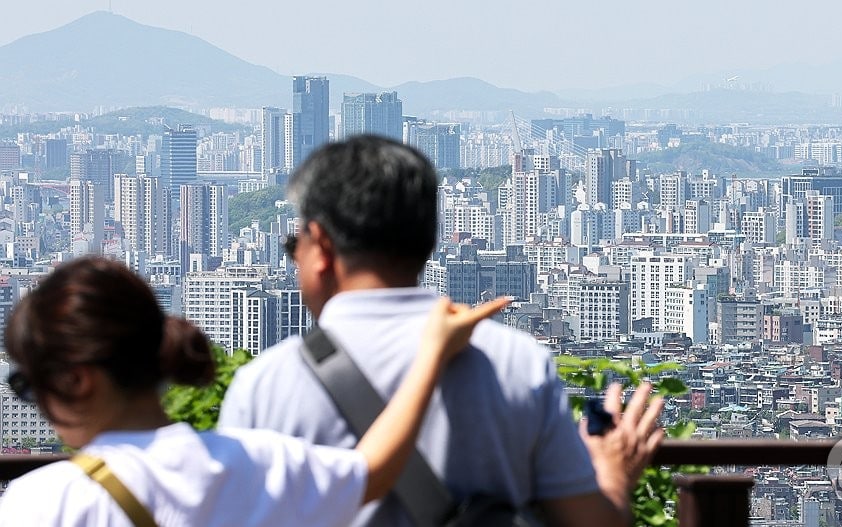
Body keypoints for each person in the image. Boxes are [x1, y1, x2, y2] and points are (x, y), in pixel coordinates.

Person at [219, 135, 665, 526]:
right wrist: (612, 472)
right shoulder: (514, 361)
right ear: (430, 239)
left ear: (321, 247)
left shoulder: (264, 386)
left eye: (294, 244)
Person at [0, 256, 509, 526]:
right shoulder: (262, 465)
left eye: (27, 385)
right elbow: (373, 471)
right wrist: (430, 354)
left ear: (75, 380)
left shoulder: (46, 503)